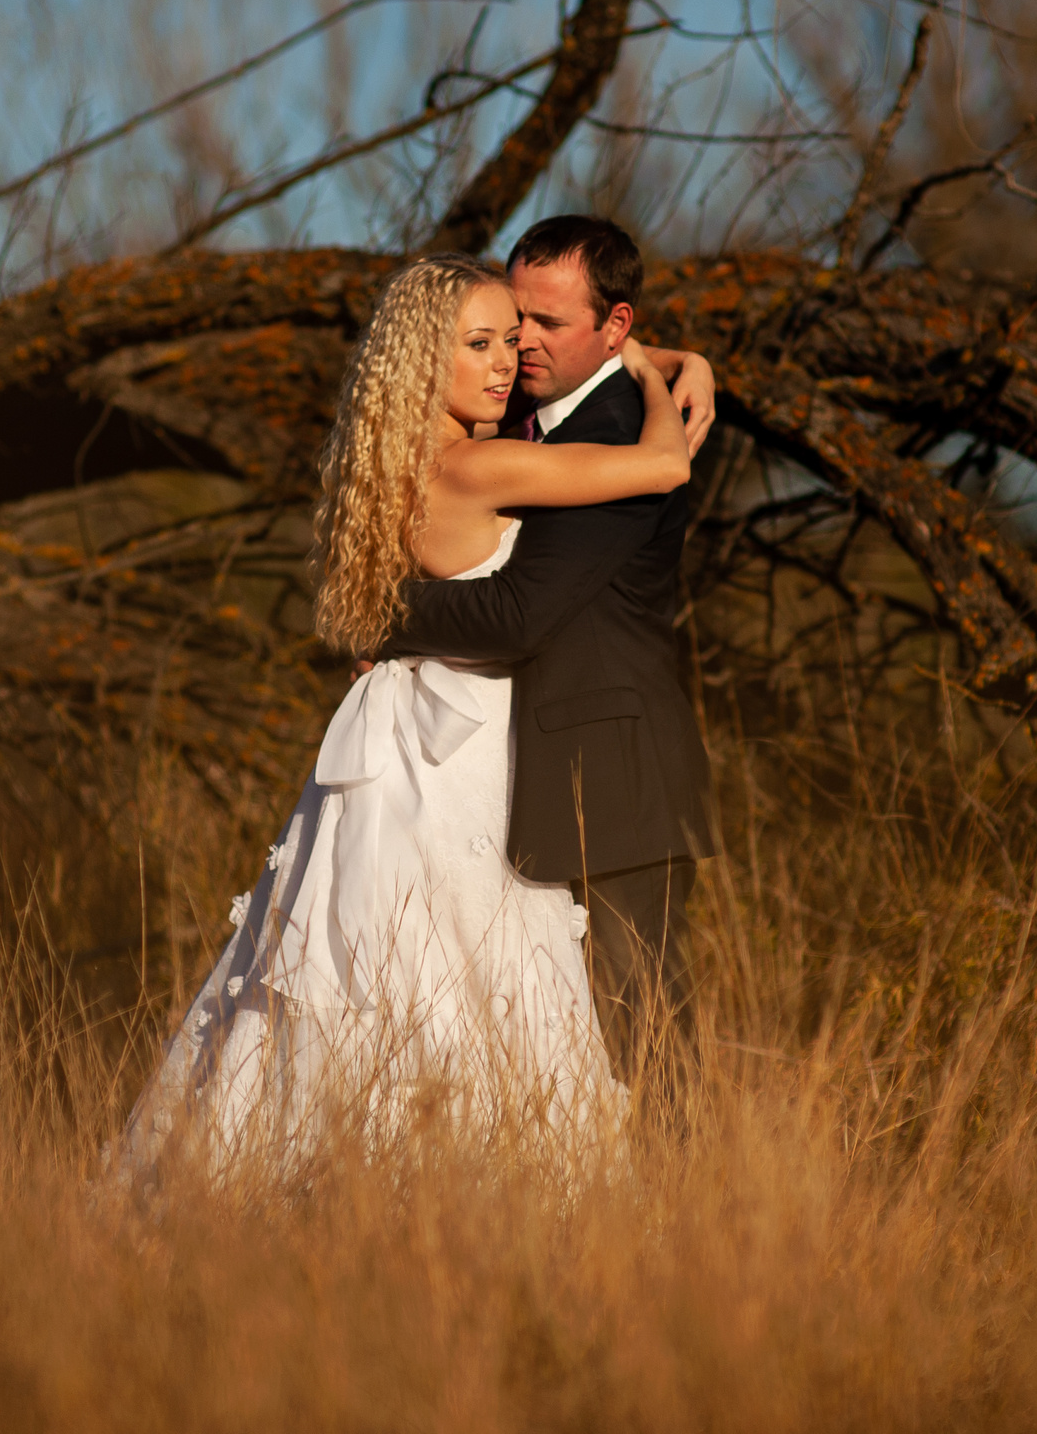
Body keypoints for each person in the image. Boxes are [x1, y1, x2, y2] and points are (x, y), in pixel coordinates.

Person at [115, 251, 709, 1177]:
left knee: (373, 963)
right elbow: (665, 464)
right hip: (468, 745)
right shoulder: (481, 465)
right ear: (426, 361)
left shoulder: (383, 465)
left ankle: (306, 1167)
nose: (508, 361)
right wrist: (654, 369)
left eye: (513, 339)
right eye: (480, 345)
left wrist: (670, 356)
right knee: (474, 966)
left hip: (397, 741)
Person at [377, 216, 716, 1074]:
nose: (520, 343)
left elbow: (518, 615)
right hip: (509, 778)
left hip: (608, 778)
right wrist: (679, 359)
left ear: (615, 325)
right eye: (513, 318)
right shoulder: (529, 406)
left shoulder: (623, 435)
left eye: (547, 323)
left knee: (641, 1043)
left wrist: (378, 616)